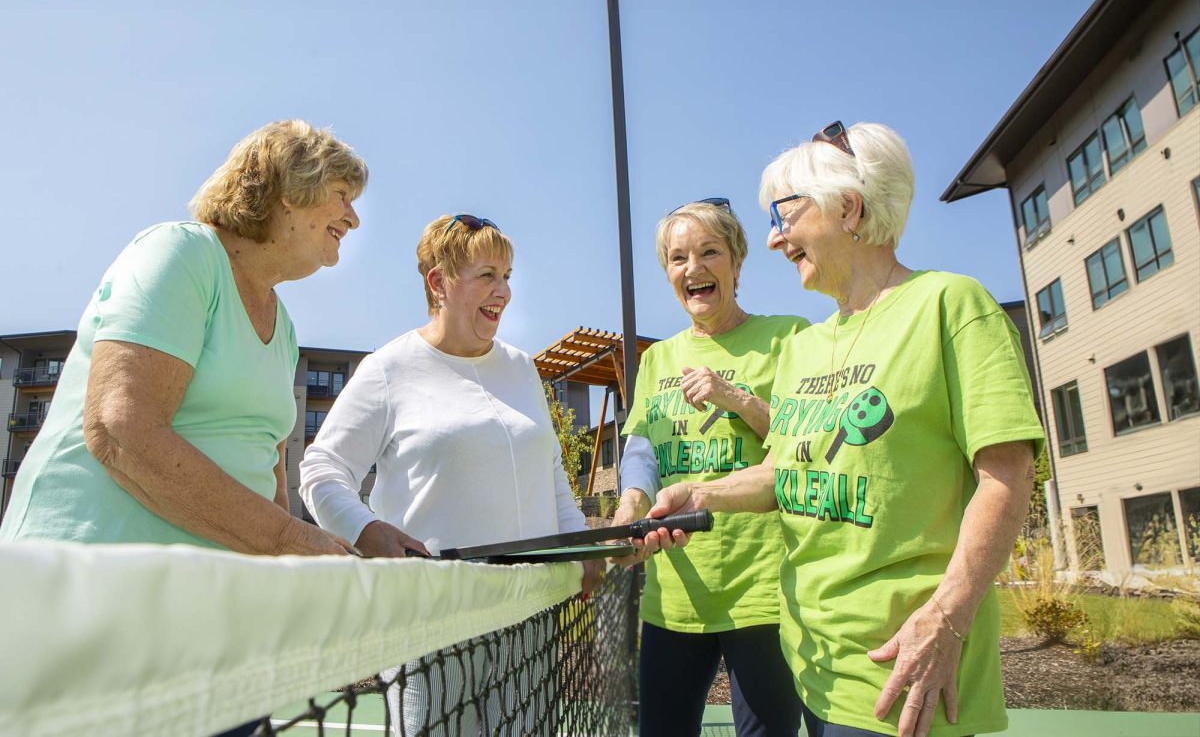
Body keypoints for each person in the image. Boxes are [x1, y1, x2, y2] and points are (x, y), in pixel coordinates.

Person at [648, 122, 1044, 737]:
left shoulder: (950, 306)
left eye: (786, 214)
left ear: (849, 207)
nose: (777, 239)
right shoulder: (808, 346)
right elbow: (786, 471)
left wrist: (947, 617)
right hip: (812, 665)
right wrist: (699, 496)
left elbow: (1007, 477)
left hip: (902, 674)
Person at [0, 119, 366, 559]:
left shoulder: (283, 326)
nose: (354, 218)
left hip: (199, 590)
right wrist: (286, 539)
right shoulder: (182, 252)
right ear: (290, 189)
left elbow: (263, 470)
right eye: (342, 196)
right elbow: (121, 430)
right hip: (85, 573)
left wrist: (281, 563)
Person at [298, 214, 602, 735]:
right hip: (430, 623)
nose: (503, 292)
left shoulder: (522, 368)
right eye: (487, 275)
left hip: (528, 619)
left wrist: (580, 546)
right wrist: (367, 531)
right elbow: (322, 469)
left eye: (507, 275)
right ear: (438, 283)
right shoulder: (388, 368)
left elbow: (550, 472)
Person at [610, 199, 807, 737]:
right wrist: (630, 506)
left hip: (762, 592)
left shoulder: (790, 337)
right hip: (673, 597)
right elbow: (642, 453)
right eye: (677, 258)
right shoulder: (657, 359)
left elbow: (803, 446)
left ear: (737, 262)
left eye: (708, 252)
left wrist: (738, 399)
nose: (692, 268)